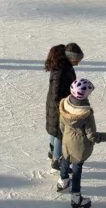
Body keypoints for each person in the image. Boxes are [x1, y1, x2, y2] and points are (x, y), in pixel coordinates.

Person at [57, 78, 106, 208]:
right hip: (80, 146)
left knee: (65, 159)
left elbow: (62, 126)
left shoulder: (64, 105)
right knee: (77, 169)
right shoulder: (86, 114)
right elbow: (92, 136)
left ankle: (63, 181)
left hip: (67, 140)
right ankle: (76, 198)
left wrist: (67, 135)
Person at [45, 43, 83, 173]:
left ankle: (52, 153)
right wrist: (62, 108)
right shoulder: (61, 71)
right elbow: (56, 93)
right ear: (71, 57)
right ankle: (57, 161)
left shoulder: (63, 65)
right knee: (59, 134)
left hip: (57, 105)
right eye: (76, 60)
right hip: (59, 107)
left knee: (55, 131)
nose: (77, 63)